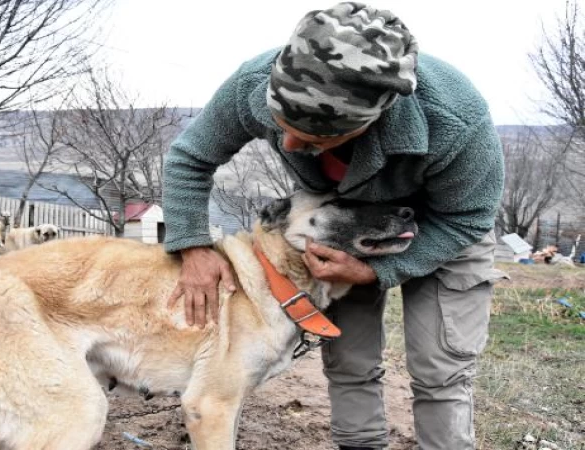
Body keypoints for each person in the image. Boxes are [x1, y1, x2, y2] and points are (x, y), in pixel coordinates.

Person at [162, 3, 506, 449]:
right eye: (280, 125)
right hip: (342, 227)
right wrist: (192, 246)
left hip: (442, 226)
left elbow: (468, 218)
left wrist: (376, 273)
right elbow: (190, 158)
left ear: (368, 125)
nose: (288, 144)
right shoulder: (255, 81)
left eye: (311, 140)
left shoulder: (456, 121)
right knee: (348, 359)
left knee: (440, 367)